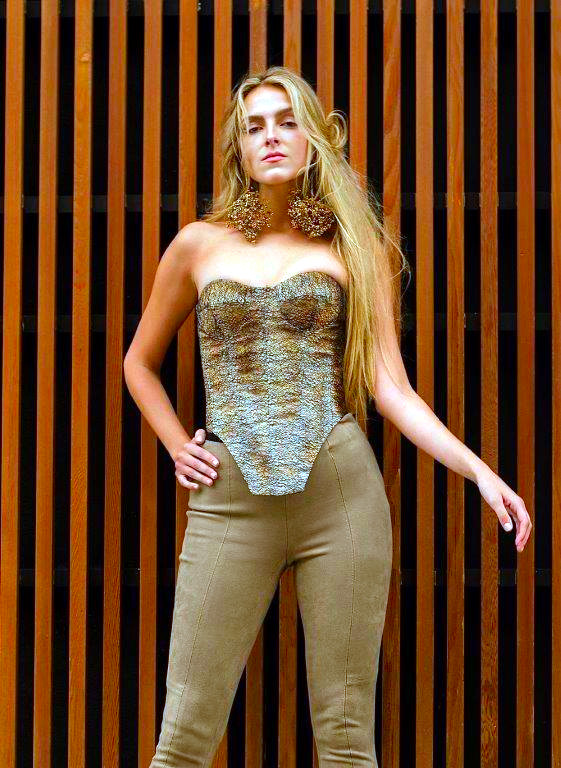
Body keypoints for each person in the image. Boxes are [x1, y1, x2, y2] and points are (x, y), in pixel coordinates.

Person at [123, 66, 532, 768]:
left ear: (314, 137)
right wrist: (175, 444)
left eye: (287, 122)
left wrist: (480, 473)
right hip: (228, 500)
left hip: (340, 498)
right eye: (254, 127)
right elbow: (138, 362)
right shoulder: (197, 244)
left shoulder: (352, 247)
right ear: (237, 148)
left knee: (345, 738)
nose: (271, 137)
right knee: (183, 736)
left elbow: (391, 389)